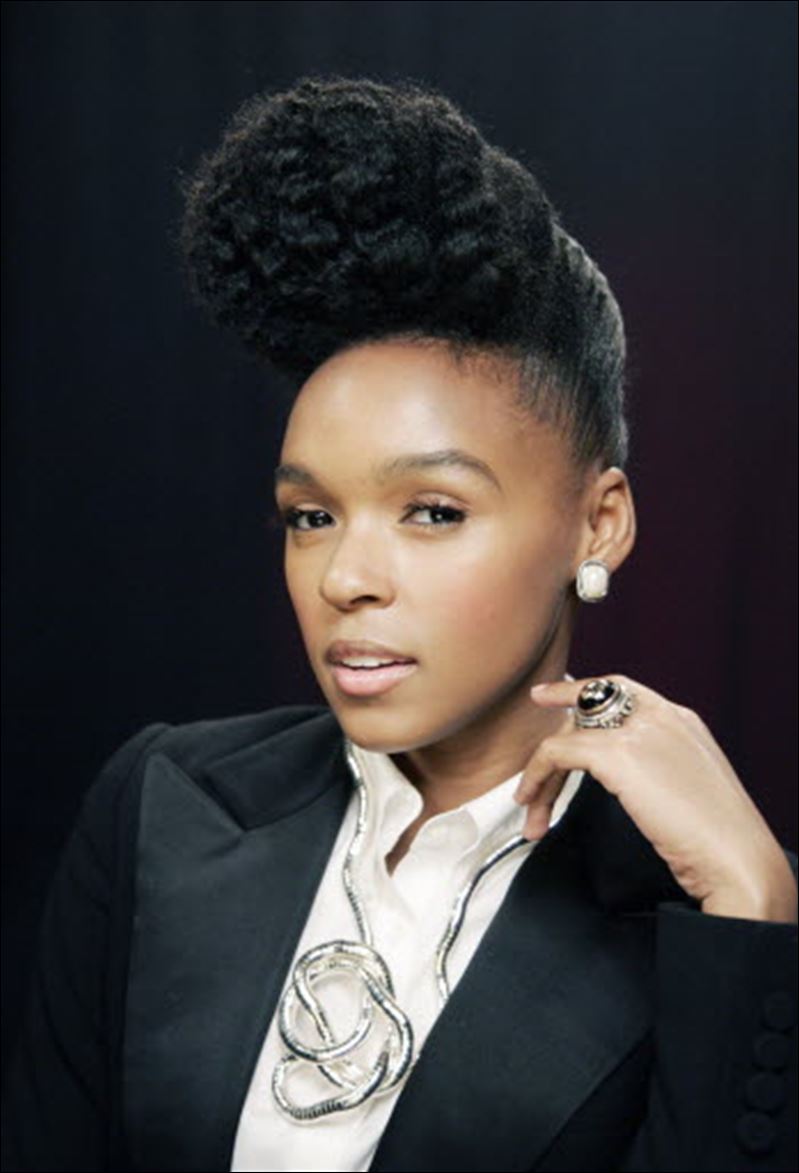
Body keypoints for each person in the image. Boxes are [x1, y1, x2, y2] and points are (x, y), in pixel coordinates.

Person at [2, 74, 797, 1173]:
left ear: (598, 524)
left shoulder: (707, 916)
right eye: (311, 515)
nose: (345, 577)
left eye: (432, 510)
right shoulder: (161, 805)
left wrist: (754, 912)